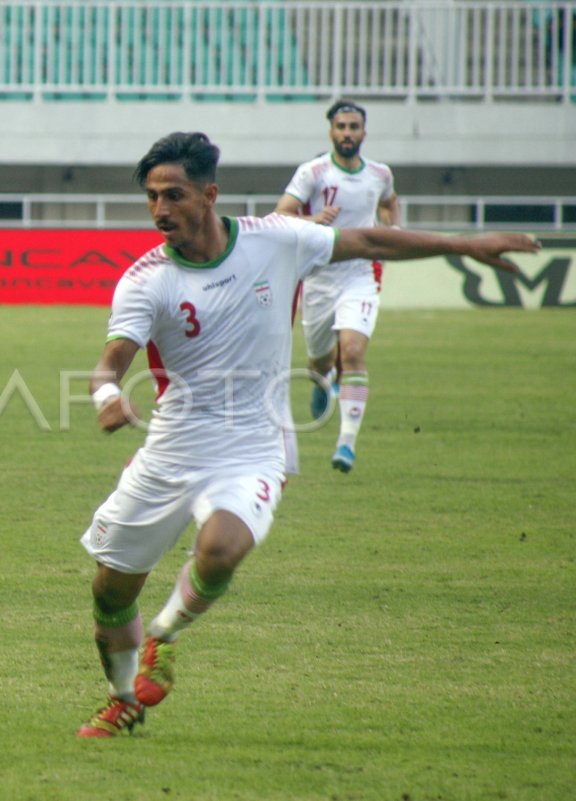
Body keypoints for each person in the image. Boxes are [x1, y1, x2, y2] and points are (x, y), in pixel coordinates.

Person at [75, 131, 536, 738]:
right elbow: (111, 363)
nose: (161, 211)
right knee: (109, 593)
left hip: (253, 444)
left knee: (221, 550)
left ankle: (165, 635)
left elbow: (368, 239)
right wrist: (108, 396)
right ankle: (121, 697)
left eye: (175, 195)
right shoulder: (145, 279)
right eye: (153, 198)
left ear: (210, 195)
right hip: (172, 448)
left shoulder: (276, 240)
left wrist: (465, 244)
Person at [274, 99, 401, 473]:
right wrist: (314, 219)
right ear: (331, 131)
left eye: (354, 127)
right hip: (319, 277)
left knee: (354, 352)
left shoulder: (380, 174)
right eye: (341, 127)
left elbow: (390, 203)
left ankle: (346, 444)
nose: (347, 133)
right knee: (320, 361)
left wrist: (392, 231)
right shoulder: (312, 172)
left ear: (364, 131)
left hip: (360, 275)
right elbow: (281, 213)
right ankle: (320, 381)